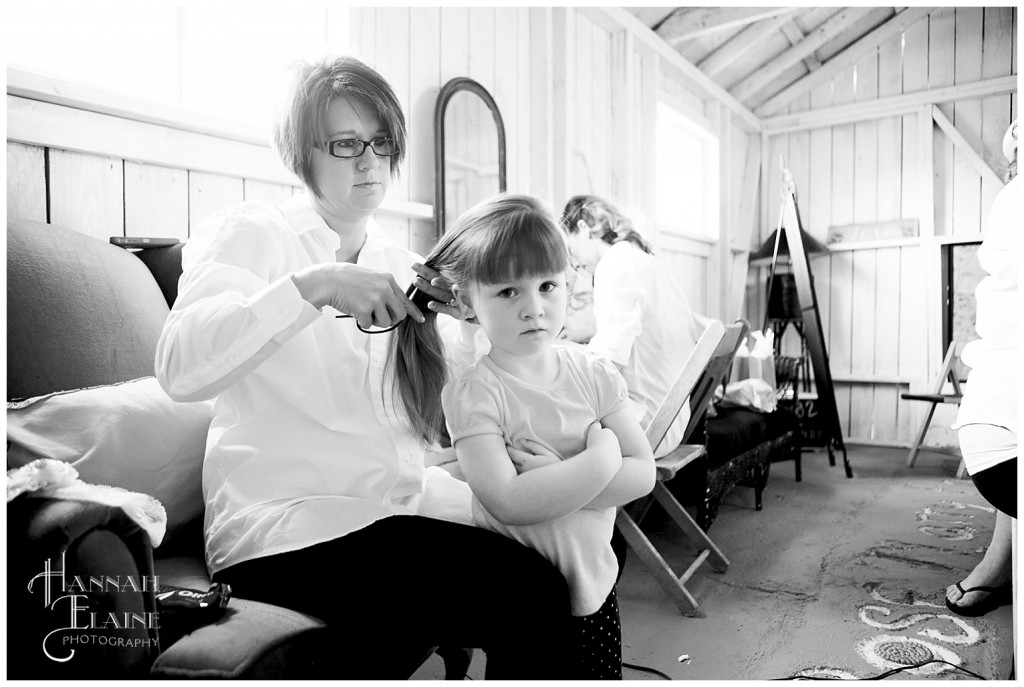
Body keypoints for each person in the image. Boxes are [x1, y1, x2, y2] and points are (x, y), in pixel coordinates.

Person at [155, 55, 575, 679]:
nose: (369, 160)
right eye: (346, 143)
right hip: (284, 524)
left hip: (395, 507)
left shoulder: (402, 262)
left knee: (568, 544)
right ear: (302, 154)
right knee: (525, 592)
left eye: (380, 142)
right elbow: (179, 367)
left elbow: (431, 420)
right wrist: (312, 288)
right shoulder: (255, 232)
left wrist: (474, 330)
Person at [390, 194, 656, 679]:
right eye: (509, 292)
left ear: (570, 284)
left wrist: (556, 480)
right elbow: (508, 501)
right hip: (526, 598)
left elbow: (643, 475)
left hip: (596, 587)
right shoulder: (474, 394)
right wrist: (597, 462)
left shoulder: (593, 374)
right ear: (469, 303)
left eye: (548, 286)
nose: (534, 308)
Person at [560, 195, 710, 456]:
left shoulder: (616, 263)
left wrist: (560, 360)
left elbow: (607, 364)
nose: (573, 263)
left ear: (583, 228)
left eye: (570, 250)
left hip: (645, 426)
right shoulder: (644, 261)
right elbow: (643, 332)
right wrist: (588, 333)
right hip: (670, 417)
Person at [945, 119, 1019, 618]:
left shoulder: (1009, 199)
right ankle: (999, 566)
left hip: (987, 445)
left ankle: (998, 566)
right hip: (1006, 459)